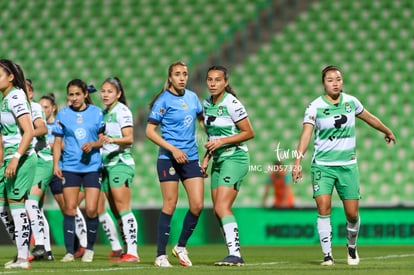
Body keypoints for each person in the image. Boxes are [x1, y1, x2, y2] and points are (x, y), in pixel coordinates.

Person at [292, 65, 396, 266]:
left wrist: (386, 130)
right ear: (324, 83)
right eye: (330, 79)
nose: (335, 83)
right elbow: (306, 135)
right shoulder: (314, 107)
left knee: (352, 214)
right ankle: (327, 255)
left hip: (348, 166)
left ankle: (351, 245)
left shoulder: (351, 102)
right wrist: (298, 160)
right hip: (322, 166)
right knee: (324, 207)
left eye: (338, 79)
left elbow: (369, 117)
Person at [146, 61, 204, 267]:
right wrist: (173, 149)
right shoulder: (163, 100)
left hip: (191, 158)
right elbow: (149, 131)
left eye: (185, 74)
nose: (182, 78)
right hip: (168, 158)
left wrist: (213, 137)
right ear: (170, 78)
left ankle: (180, 246)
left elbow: (202, 121)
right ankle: (160, 256)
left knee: (197, 205)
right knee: (170, 204)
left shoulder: (193, 98)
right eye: (177, 74)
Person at [201, 65, 254, 266]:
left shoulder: (232, 103)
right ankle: (233, 252)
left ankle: (235, 254)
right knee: (217, 209)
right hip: (218, 160)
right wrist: (206, 158)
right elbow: (212, 136)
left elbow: (249, 133)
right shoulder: (207, 104)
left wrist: (221, 142)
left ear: (226, 82)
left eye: (217, 80)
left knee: (223, 206)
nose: (213, 84)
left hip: (235, 157)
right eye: (210, 80)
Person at [52, 79, 104, 263]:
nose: (73, 98)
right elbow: (57, 142)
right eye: (71, 94)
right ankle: (69, 252)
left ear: (85, 94)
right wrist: (56, 164)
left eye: (77, 94)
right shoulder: (63, 114)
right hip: (70, 167)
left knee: (91, 209)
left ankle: (89, 248)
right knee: (69, 209)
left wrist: (94, 144)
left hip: (92, 167)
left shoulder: (97, 113)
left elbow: (102, 139)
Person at [40, 92, 89, 259]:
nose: (43, 110)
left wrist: (55, 145)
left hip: (59, 171)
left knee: (68, 207)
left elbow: (68, 144)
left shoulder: (59, 125)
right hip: (42, 170)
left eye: (46, 107)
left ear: (53, 108)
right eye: (41, 108)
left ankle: (82, 243)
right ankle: (45, 247)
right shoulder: (38, 126)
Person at [0, 59, 37, 269]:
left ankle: (24, 258)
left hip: (21, 158)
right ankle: (22, 253)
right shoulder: (5, 99)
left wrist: (15, 157)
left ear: (11, 77)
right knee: (3, 207)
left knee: (16, 206)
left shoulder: (16, 97)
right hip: (10, 159)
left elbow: (29, 131)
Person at [100, 77, 139, 262]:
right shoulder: (104, 113)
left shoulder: (122, 111)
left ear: (118, 93)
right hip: (107, 166)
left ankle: (133, 252)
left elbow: (129, 138)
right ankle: (126, 250)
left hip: (120, 163)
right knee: (115, 211)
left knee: (123, 208)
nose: (105, 94)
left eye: (109, 91)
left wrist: (112, 140)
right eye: (103, 91)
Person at [25, 79, 55, 261]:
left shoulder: (35, 108)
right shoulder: (11, 109)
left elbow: (42, 128)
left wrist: (26, 134)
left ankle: (41, 245)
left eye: (26, 90)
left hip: (42, 161)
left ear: (31, 93)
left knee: (31, 203)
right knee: (36, 208)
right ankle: (48, 251)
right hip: (27, 163)